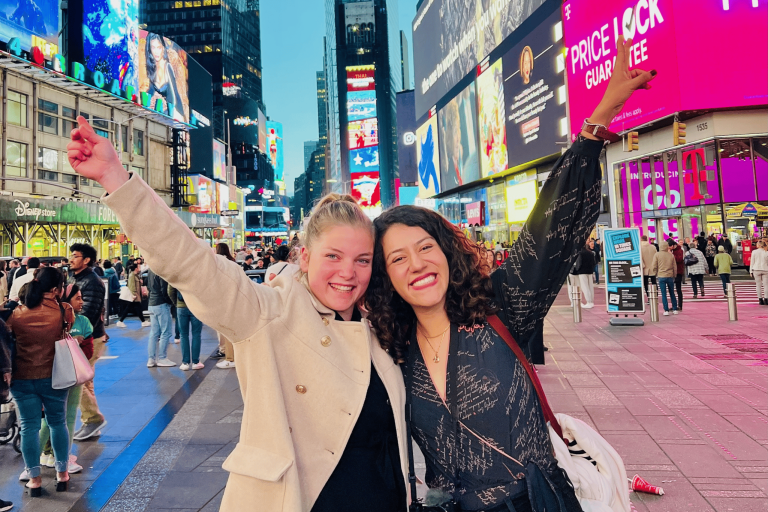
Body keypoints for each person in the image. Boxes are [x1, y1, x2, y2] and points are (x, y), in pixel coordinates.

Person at [364, 36, 654, 511]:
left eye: (424, 247)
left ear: (446, 250)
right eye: (397, 259)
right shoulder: (393, 348)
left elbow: (548, 233)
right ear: (386, 276)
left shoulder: (500, 304)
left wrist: (599, 120)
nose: (415, 264)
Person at [67, 113, 413, 510]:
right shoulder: (270, 312)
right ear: (304, 257)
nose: (347, 273)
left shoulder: (377, 327)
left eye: (363, 260)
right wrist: (117, 180)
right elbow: (194, 266)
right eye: (333, 256)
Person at [8, 267, 75, 496]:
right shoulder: (64, 310)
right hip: (55, 375)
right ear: (56, 289)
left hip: (22, 378)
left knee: (29, 427)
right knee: (58, 423)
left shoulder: (16, 313)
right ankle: (62, 474)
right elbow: (67, 330)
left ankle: (34, 479)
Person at [35, 284, 93, 477]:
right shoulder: (79, 320)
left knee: (45, 421)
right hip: (71, 375)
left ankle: (35, 462)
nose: (82, 301)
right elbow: (88, 351)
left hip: (46, 374)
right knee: (65, 419)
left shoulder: (42, 315)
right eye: (78, 297)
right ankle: (63, 460)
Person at [67, 243, 108, 442]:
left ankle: (93, 418)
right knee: (86, 381)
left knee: (77, 379)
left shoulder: (92, 282)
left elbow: (89, 311)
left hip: (87, 337)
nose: (71, 259)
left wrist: (76, 333)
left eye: (75, 256)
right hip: (85, 335)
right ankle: (90, 422)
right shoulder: (75, 278)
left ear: (86, 260)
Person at [144, 32, 185, 121]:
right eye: (153, 47)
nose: (156, 51)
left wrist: (171, 113)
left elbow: (173, 95)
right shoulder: (151, 67)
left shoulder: (167, 66)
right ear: (149, 49)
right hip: (163, 113)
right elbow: (151, 90)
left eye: (159, 47)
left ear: (163, 48)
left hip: (175, 112)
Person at [169, 283, 203, 370]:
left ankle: (185, 363)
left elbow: (170, 290)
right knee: (196, 334)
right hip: (196, 306)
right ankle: (195, 362)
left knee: (183, 335)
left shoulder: (177, 272)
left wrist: (177, 303)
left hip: (181, 307)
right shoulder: (196, 272)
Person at [146, 268, 175, 367]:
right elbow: (164, 290)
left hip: (151, 303)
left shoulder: (150, 270)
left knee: (154, 332)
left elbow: (148, 287)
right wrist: (170, 302)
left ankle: (151, 359)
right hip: (161, 304)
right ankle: (162, 358)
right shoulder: (160, 270)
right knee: (166, 332)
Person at [651, 241, 679, 316]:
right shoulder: (671, 255)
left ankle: (666, 310)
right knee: (672, 293)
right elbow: (674, 267)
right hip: (670, 276)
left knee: (663, 294)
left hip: (661, 275)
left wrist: (655, 273)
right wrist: (674, 274)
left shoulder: (657, 255)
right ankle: (675, 308)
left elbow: (654, 266)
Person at [572, 240, 596, 308]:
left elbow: (579, 263)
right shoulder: (590, 252)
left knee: (585, 287)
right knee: (590, 286)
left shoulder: (580, 253)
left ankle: (588, 301)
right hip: (590, 271)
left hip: (582, 272)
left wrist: (577, 269)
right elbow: (594, 263)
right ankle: (591, 301)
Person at [668, 239, 685, 311]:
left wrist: (671, 255)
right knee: (671, 289)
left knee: (678, 289)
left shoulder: (679, 250)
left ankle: (680, 305)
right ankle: (674, 305)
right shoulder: (670, 251)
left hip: (678, 271)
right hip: (670, 271)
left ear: (672, 246)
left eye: (669, 247)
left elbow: (679, 259)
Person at [750, 240, 768, 305]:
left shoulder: (754, 252)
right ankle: (766, 298)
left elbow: (752, 262)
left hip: (756, 269)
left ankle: (760, 299)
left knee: (758, 285)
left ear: (759, 245)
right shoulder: (766, 252)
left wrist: (751, 271)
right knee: (766, 285)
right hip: (765, 269)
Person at [640, 235, 658, 300]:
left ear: (641, 239)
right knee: (654, 282)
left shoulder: (640, 247)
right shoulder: (653, 247)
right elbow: (656, 256)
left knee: (646, 283)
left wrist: (642, 265)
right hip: (652, 267)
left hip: (645, 268)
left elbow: (640, 258)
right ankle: (656, 296)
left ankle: (649, 297)